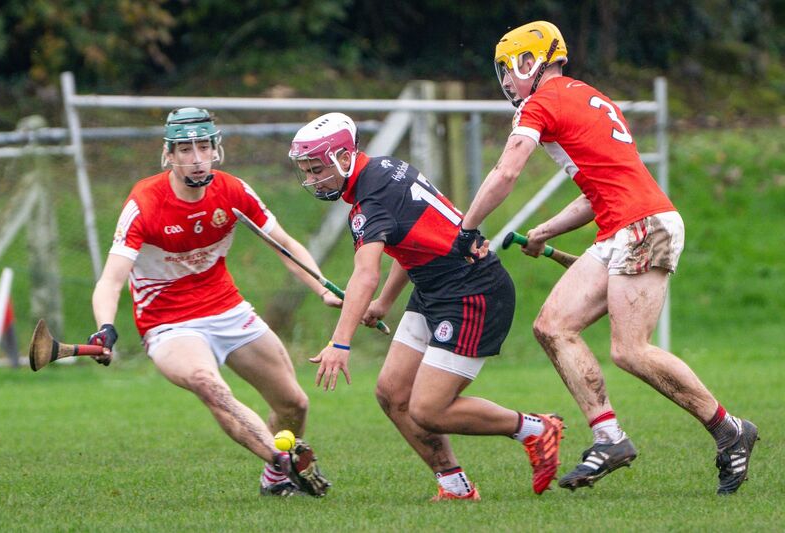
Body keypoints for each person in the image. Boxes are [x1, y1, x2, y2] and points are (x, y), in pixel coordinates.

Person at [459, 20, 758, 495]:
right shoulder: (584, 96)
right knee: (552, 327)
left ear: (529, 61)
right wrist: (545, 231)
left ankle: (729, 429)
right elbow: (595, 192)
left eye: (508, 70)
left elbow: (506, 171)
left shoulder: (542, 103)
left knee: (629, 350)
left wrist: (467, 226)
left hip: (643, 226)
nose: (507, 82)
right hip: (621, 225)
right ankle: (610, 437)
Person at [288, 112, 564, 501]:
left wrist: (340, 342)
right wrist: (384, 302)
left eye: (317, 169)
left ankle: (534, 429)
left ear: (345, 158)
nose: (313, 179)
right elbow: (411, 241)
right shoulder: (385, 168)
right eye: (307, 171)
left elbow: (364, 275)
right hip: (434, 284)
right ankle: (454, 485)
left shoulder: (369, 202)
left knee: (429, 409)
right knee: (391, 392)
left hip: (472, 291)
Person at [88, 107, 339, 498]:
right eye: (185, 150)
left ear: (216, 149)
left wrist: (321, 287)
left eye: (203, 146)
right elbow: (110, 280)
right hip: (168, 324)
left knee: (294, 404)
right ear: (169, 155)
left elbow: (285, 245)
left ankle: (274, 480)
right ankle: (282, 462)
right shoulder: (145, 202)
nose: (196, 157)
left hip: (228, 309)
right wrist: (105, 326)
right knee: (211, 386)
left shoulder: (233, 192)